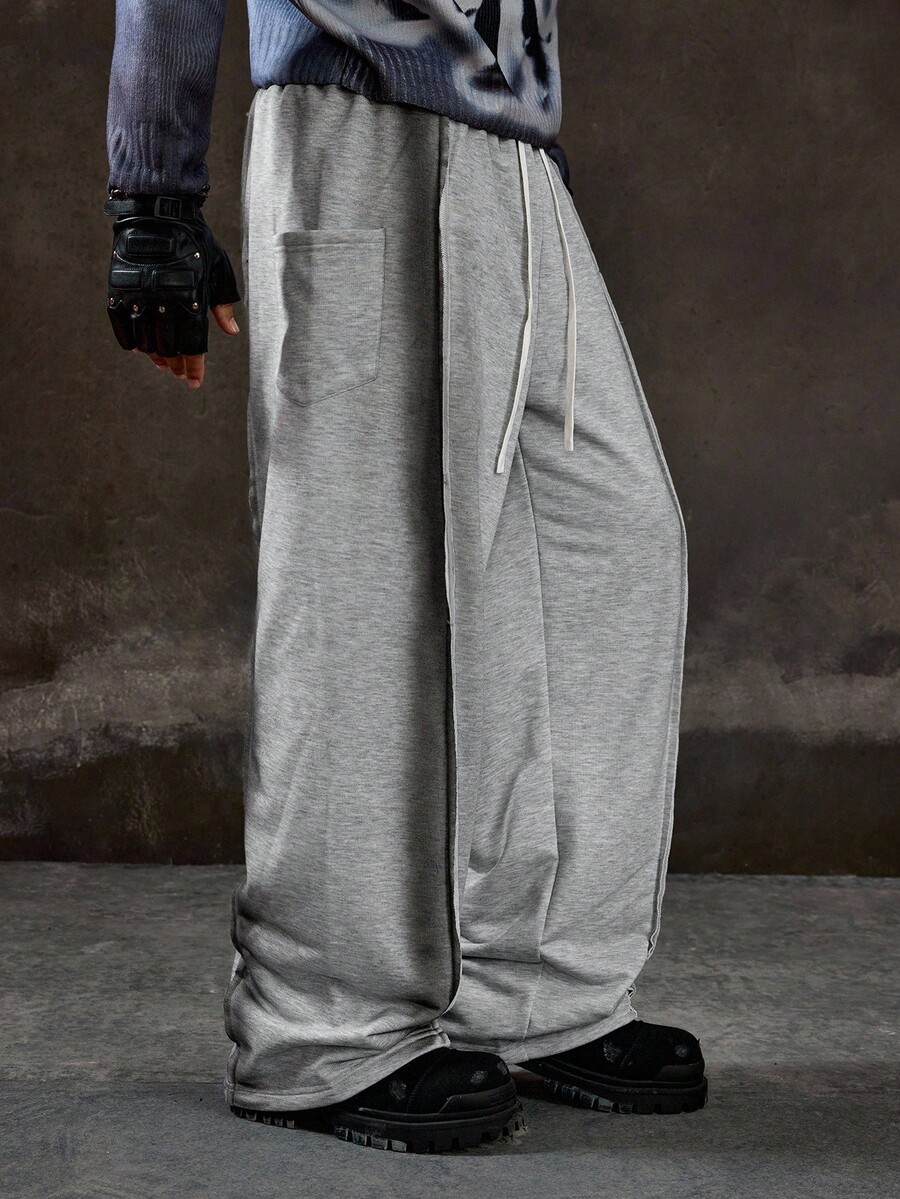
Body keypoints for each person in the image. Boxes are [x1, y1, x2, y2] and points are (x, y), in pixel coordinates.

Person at [104, 1, 707, 1154]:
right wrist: (153, 200)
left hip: (505, 143)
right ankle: (322, 1030)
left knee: (601, 549)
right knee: (359, 578)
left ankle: (531, 985)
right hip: (354, 113)